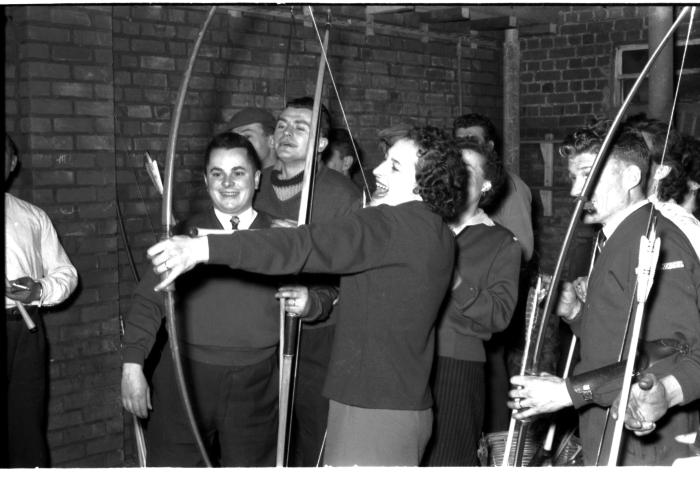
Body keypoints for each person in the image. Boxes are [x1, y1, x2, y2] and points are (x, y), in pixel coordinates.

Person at [146, 126, 469, 466]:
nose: (377, 170)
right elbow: (338, 254)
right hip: (402, 405)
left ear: (425, 182)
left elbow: (305, 247)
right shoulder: (435, 230)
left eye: (395, 166)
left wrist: (202, 248)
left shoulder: (387, 225)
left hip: (372, 409)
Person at [120, 133, 321, 466]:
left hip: (256, 385)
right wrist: (132, 366)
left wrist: (311, 300)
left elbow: (328, 287)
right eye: (217, 173)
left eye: (238, 172)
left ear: (257, 178)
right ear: (206, 179)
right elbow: (147, 300)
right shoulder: (182, 235)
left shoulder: (283, 234)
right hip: (184, 380)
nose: (228, 182)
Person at [508, 125, 700, 466]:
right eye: (573, 177)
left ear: (630, 177)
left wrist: (567, 392)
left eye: (588, 175)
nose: (576, 191)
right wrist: (576, 312)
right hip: (608, 427)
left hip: (643, 436)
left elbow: (672, 347)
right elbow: (621, 335)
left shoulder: (657, 240)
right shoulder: (615, 236)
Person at [253, 96, 362, 466]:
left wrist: (307, 251)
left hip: (318, 333)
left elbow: (353, 269)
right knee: (261, 432)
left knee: (312, 433)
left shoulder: (342, 194)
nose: (286, 133)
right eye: (281, 125)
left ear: (320, 144)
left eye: (301, 128)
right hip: (256, 329)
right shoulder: (253, 184)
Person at [422, 138, 521, 466]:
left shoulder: (500, 242)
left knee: (446, 460)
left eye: (466, 170)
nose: (456, 177)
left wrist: (456, 281)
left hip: (455, 365)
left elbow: (499, 315)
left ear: (487, 183)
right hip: (405, 358)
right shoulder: (423, 225)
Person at [4, 133, 78, 467]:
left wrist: (38, 291)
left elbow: (67, 274)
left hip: (27, 333)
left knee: (25, 431)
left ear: (12, 163)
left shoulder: (33, 217)